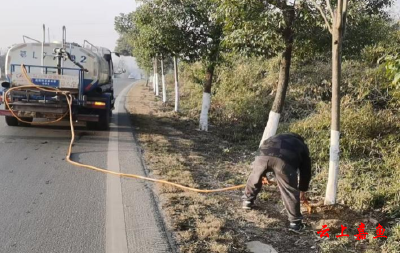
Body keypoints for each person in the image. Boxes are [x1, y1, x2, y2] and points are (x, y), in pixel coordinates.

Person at [242, 133, 311, 233]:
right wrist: (303, 189)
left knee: (254, 176)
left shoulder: (273, 138)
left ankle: (247, 201)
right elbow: (306, 171)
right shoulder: (301, 145)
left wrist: (263, 174)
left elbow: (267, 152)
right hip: (283, 161)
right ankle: (295, 223)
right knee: (289, 190)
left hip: (262, 156)